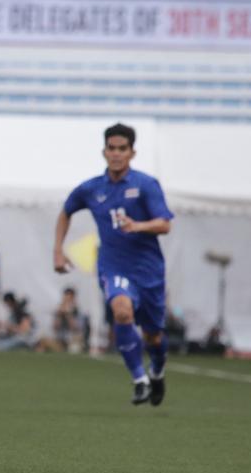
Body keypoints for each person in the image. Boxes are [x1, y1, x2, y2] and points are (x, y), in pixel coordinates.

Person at [54, 122, 174, 406]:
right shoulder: (91, 189)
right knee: (121, 311)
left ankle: (157, 372)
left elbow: (165, 224)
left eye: (122, 149)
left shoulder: (145, 185)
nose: (116, 154)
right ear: (104, 151)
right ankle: (139, 380)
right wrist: (58, 251)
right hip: (113, 265)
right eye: (112, 148)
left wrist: (139, 225)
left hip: (148, 270)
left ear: (132, 152)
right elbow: (65, 212)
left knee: (154, 336)